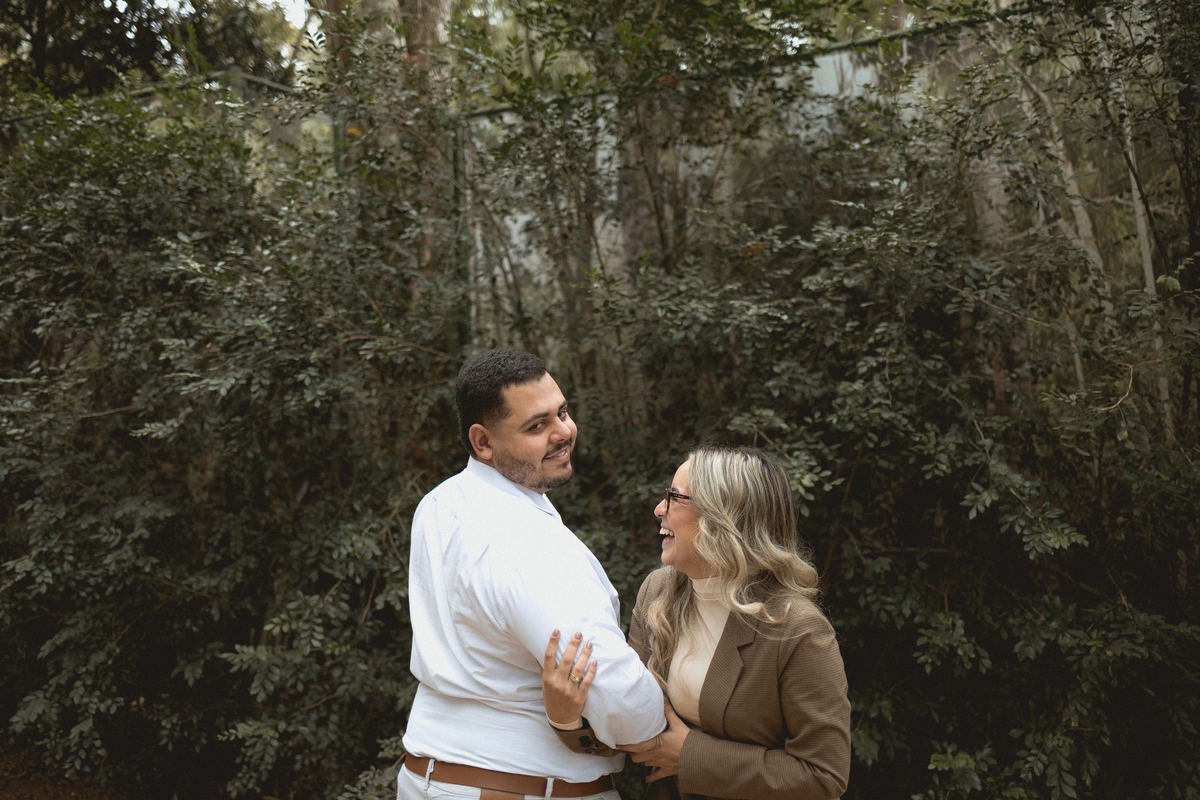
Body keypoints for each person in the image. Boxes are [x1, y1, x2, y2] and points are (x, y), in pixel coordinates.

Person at [399, 349, 666, 800]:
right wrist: (668, 733)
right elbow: (617, 696)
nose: (564, 432)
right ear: (482, 442)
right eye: (536, 426)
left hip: (429, 776)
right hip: (522, 786)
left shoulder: (439, 505)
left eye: (561, 412)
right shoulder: (526, 541)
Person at [541, 446, 851, 800]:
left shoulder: (797, 628)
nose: (660, 509)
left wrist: (691, 756)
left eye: (675, 497)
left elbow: (823, 776)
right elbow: (630, 730)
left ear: (723, 516)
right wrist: (567, 719)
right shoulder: (658, 593)